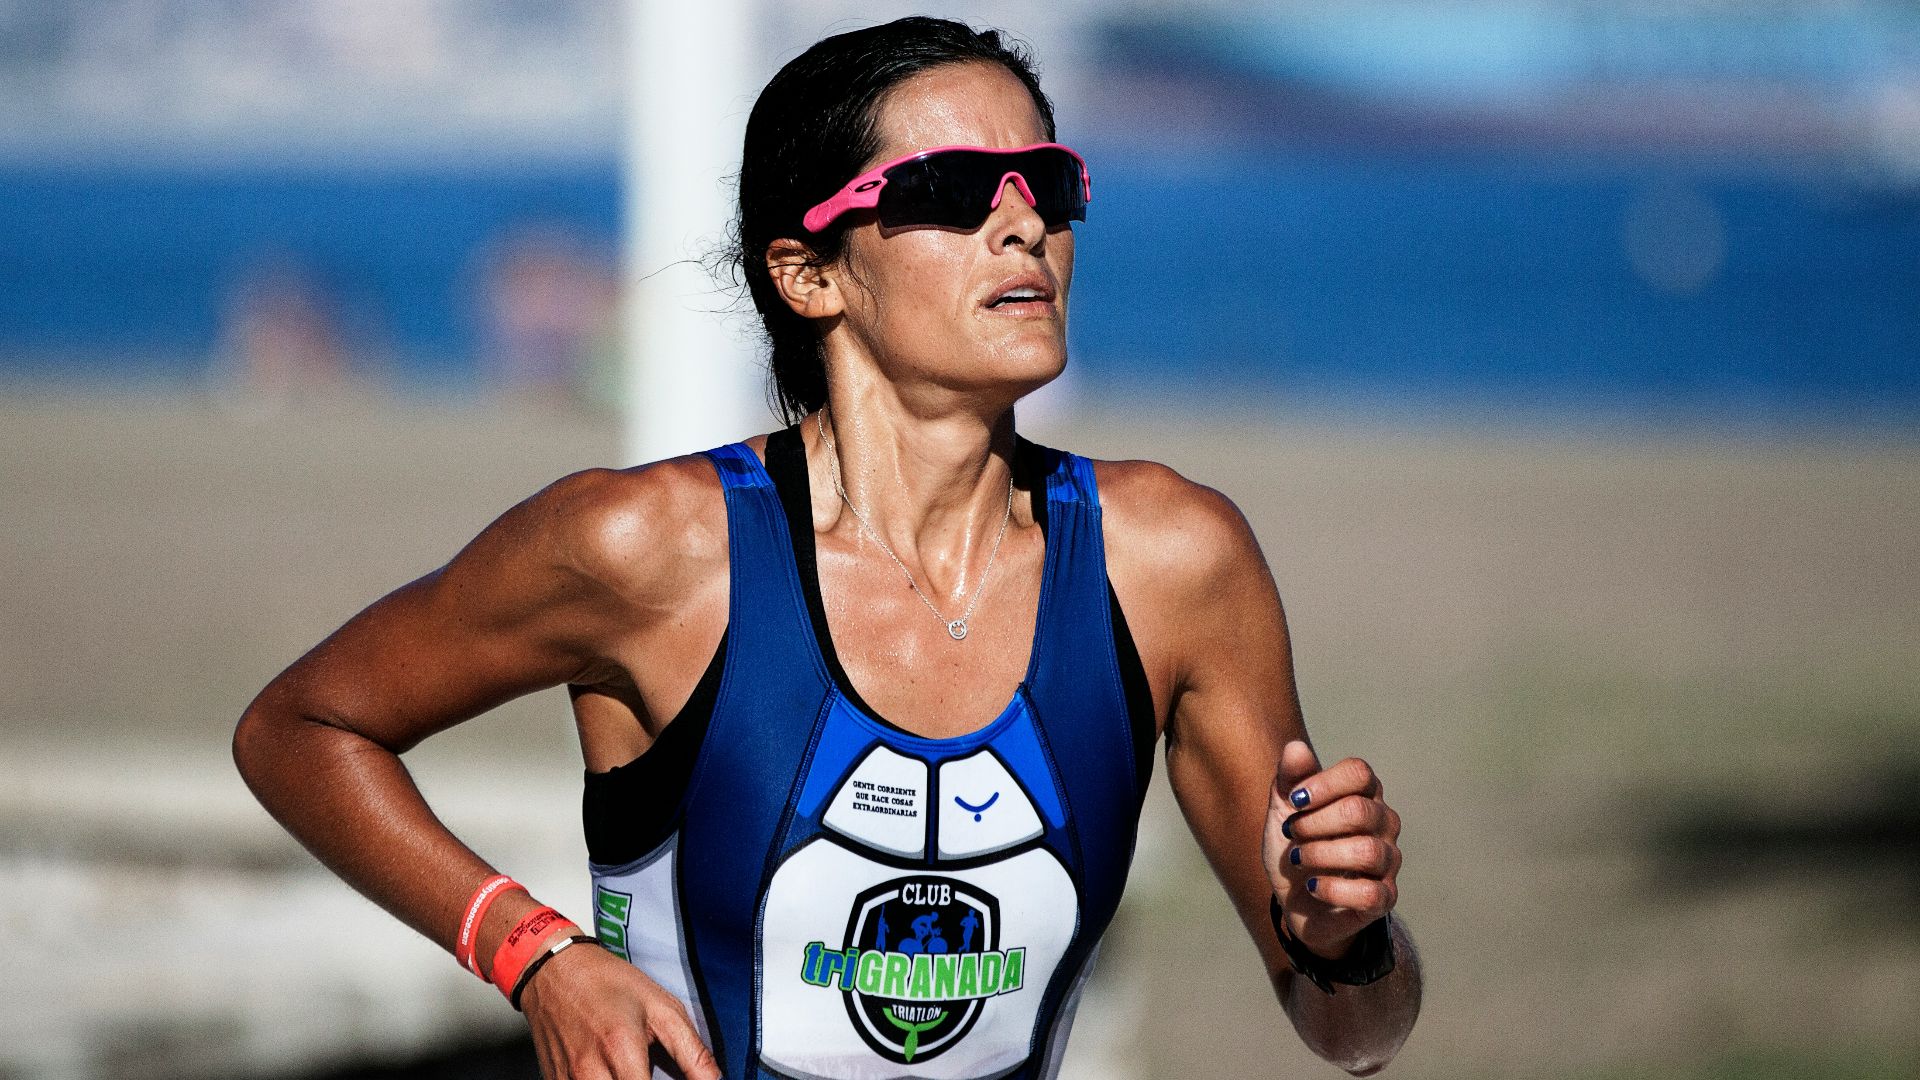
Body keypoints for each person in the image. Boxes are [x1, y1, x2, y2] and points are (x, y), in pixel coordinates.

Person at [233, 17, 1421, 1079]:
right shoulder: (650, 549)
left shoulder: (1170, 563)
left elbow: (1359, 1034)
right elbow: (301, 728)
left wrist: (1347, 942)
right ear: (808, 274)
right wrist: (532, 952)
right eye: (952, 188)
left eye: (1049, 184)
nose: (1024, 224)